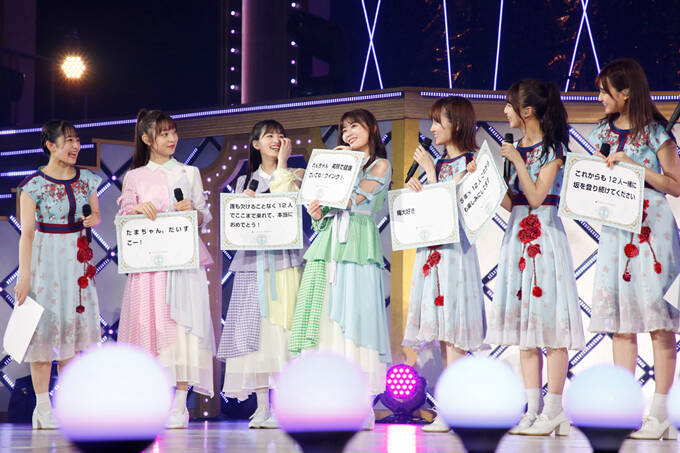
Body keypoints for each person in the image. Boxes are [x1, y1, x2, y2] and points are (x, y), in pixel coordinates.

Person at [484, 80, 585, 436]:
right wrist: (488, 183)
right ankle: (532, 410)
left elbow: (538, 196)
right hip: (517, 238)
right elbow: (513, 201)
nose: (505, 111)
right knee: (525, 331)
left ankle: (555, 410)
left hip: (544, 237)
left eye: (509, 105)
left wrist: (516, 161)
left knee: (552, 328)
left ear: (527, 111)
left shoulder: (553, 149)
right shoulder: (515, 149)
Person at [588, 58, 680, 440]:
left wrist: (634, 168)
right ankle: (625, 409)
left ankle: (661, 413)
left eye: (604, 90)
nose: (599, 97)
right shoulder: (601, 131)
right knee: (620, 324)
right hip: (615, 233)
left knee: (659, 323)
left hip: (651, 233)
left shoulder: (656, 133)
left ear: (625, 92)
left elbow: (675, 185)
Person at [289, 108, 391, 430]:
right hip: (329, 244)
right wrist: (317, 212)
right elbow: (326, 215)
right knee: (326, 320)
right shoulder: (343, 161)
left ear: (371, 128)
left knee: (357, 318)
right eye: (344, 129)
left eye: (354, 127)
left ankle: (363, 404)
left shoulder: (379, 164)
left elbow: (355, 199)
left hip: (358, 244)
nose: (348, 134)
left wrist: (343, 166)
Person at [117, 109, 215, 429]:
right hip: (148, 266)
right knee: (149, 328)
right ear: (147, 139)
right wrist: (136, 209)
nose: (172, 138)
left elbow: (204, 216)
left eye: (173, 132)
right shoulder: (134, 176)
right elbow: (123, 219)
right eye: (164, 133)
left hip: (183, 262)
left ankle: (180, 404)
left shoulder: (189, 172)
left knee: (183, 328)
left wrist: (193, 212)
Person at [402, 96, 486, 432]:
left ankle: (456, 410)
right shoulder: (439, 163)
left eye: (439, 121)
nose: (433, 128)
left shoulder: (473, 163)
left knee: (455, 334)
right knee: (442, 336)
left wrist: (430, 174)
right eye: (433, 121)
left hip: (454, 255)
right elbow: (430, 213)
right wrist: (417, 190)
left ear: (458, 124)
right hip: (432, 254)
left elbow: (459, 213)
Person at [217, 120, 305, 429]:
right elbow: (236, 225)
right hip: (252, 263)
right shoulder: (245, 182)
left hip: (283, 261)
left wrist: (282, 166)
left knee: (281, 330)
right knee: (255, 333)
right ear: (255, 144)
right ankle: (262, 406)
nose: (276, 139)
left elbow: (292, 206)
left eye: (280, 135)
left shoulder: (296, 174)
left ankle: (284, 406)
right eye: (269, 136)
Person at [15, 120, 103, 429]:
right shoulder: (33, 185)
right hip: (46, 259)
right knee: (43, 335)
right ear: (51, 146)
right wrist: (24, 275)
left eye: (77, 140)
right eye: (68, 141)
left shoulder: (87, 180)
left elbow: (96, 213)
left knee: (72, 336)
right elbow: (27, 234)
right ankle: (43, 408)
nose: (75, 146)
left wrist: (93, 219)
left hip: (76, 260)